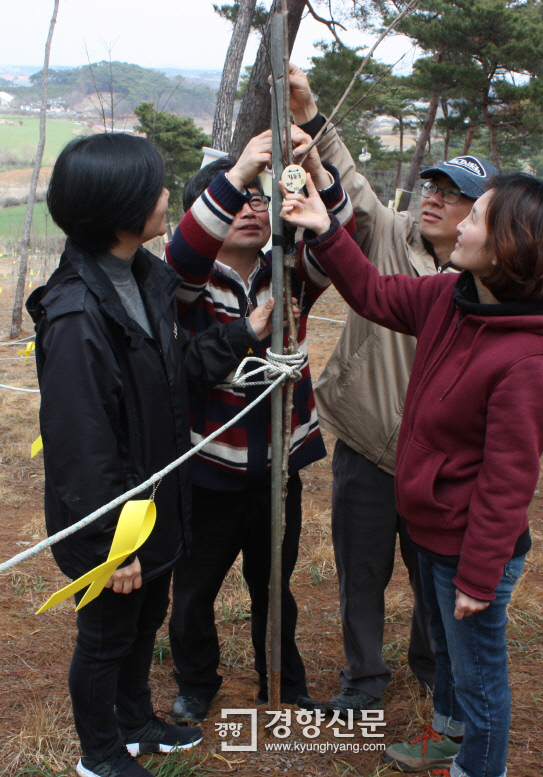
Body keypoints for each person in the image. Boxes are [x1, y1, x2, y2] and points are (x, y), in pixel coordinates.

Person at [280, 170, 543, 777]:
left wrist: (478, 577)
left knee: (479, 680)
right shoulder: (454, 298)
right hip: (437, 529)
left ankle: (476, 766)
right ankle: (446, 737)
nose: (459, 224)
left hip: (474, 547)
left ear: (508, 245)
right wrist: (325, 228)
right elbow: (373, 293)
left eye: (477, 218)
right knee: (449, 654)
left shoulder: (530, 362)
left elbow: (507, 485)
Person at [26, 132, 278, 777]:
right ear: (121, 206)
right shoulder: (77, 312)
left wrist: (243, 335)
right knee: (107, 638)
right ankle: (100, 754)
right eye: (157, 187)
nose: (168, 195)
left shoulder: (144, 277)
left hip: (158, 498)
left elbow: (175, 372)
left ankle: (136, 722)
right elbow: (83, 447)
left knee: (145, 622)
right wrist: (116, 545)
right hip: (113, 519)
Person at [287, 63, 497, 714]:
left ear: (480, 213)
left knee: (433, 573)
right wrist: (313, 114)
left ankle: (433, 669)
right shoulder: (383, 229)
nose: (433, 197)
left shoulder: (482, 283)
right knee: (361, 574)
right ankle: (362, 684)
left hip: (439, 462)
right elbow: (346, 178)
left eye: (453, 193)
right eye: (430, 184)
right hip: (368, 448)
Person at [165, 128, 355, 723]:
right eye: (238, 200)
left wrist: (316, 168)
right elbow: (186, 252)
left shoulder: (292, 271)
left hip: (277, 469)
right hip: (207, 468)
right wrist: (243, 167)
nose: (250, 210)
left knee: (274, 586)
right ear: (213, 212)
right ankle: (196, 682)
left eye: (258, 199)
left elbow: (338, 240)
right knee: (194, 590)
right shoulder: (187, 285)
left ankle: (286, 682)